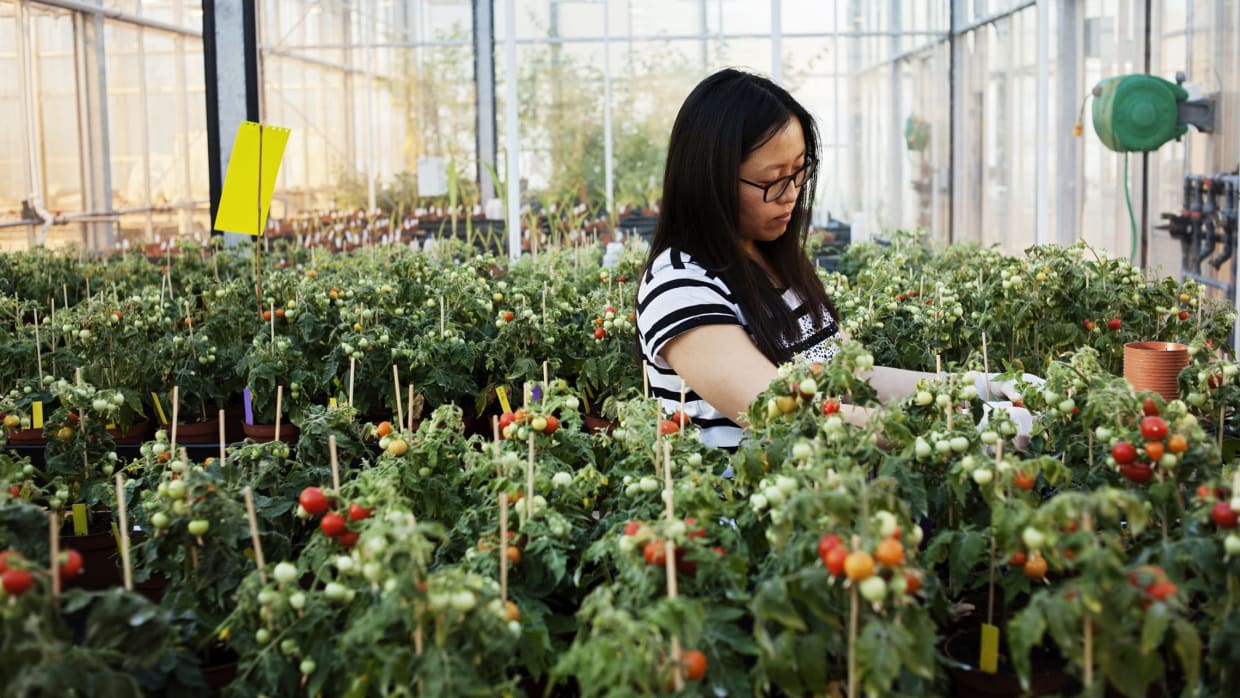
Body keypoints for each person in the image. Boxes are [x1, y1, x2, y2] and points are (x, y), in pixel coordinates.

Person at [635, 69, 1036, 450]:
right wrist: (962, 423)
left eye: (799, 171)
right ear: (710, 179)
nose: (792, 193)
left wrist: (977, 386)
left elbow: (852, 377)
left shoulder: (774, 265)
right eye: (772, 179)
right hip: (741, 513)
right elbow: (781, 414)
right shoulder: (680, 286)